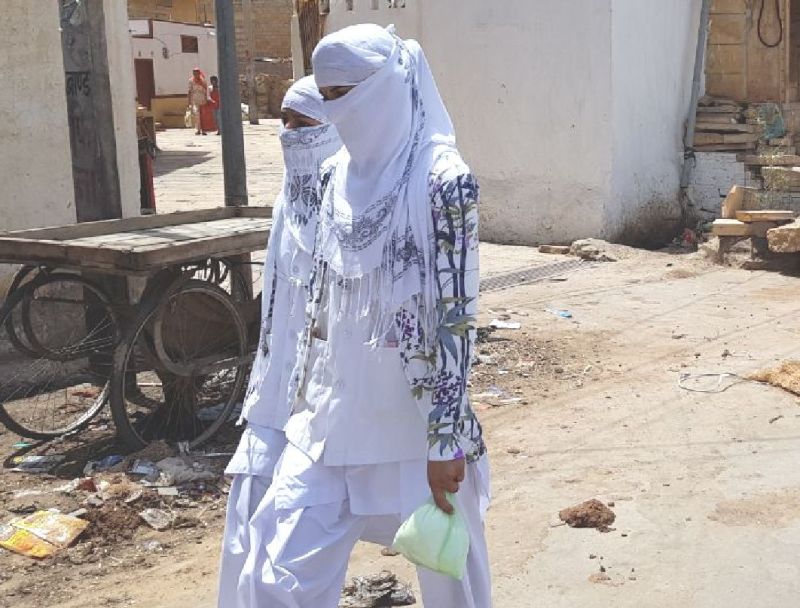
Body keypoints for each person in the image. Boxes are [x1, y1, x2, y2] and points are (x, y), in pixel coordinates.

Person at [221, 23, 491, 608]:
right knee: (276, 577)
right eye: (328, 96)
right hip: (327, 420)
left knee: (451, 578)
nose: (339, 110)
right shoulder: (331, 176)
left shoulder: (444, 182)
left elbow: (456, 315)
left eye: (347, 94)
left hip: (410, 423)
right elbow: (316, 300)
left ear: (390, 84)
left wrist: (445, 440)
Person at [217, 76, 342, 608]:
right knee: (248, 521)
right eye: (284, 122)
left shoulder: (359, 209)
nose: (290, 134)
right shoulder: (285, 206)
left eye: (304, 123)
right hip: (274, 396)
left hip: (335, 409)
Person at [188, 67, 209, 135]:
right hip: (195, 100)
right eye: (194, 73)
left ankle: (204, 130)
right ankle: (198, 130)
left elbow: (205, 90)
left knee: (203, 116)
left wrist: (206, 99)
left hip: (202, 99)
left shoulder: (203, 80)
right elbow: (190, 91)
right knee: (197, 115)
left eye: (197, 72)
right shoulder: (191, 81)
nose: (195, 74)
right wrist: (189, 101)